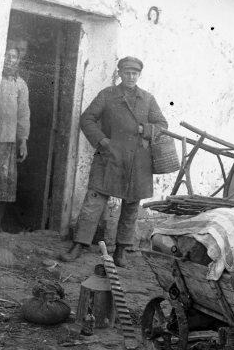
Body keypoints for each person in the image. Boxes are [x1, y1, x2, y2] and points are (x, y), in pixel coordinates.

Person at [59, 56, 168, 267]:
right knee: (93, 203)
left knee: (131, 207)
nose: (131, 76)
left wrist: (143, 129)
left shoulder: (147, 99)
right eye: (127, 72)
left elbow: (161, 125)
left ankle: (121, 250)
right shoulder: (108, 95)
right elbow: (87, 118)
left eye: (134, 73)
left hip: (137, 161)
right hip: (109, 157)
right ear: (120, 74)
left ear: (139, 75)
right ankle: (78, 246)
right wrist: (102, 140)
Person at [0, 47, 30, 233]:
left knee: (3, 183)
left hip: (8, 141)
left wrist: (23, 140)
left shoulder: (21, 85)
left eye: (14, 57)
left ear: (18, 60)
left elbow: (23, 114)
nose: (10, 60)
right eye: (6, 55)